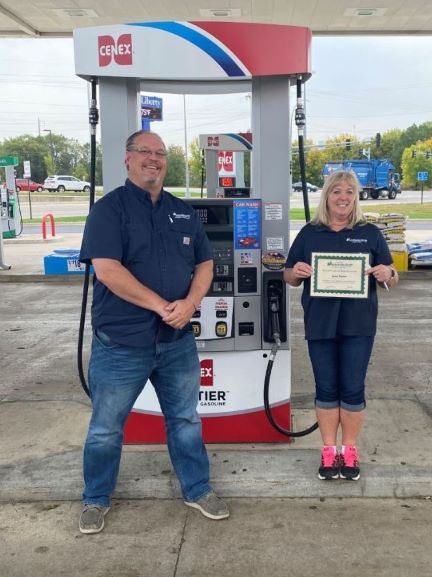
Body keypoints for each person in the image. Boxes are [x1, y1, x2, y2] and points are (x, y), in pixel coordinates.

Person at [78, 130, 229, 534]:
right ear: (127, 159)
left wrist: (191, 304)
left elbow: (205, 264)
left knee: (185, 420)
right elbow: (108, 270)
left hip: (176, 342)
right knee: (107, 427)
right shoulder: (108, 211)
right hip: (122, 343)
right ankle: (95, 498)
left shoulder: (182, 211)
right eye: (144, 151)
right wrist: (162, 306)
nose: (153, 158)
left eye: (160, 153)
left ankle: (197, 489)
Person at [284, 170, 398, 481]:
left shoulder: (370, 233)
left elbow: (391, 272)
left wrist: (387, 274)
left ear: (356, 197)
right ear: (327, 196)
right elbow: (288, 275)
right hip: (320, 324)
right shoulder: (310, 233)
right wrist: (297, 271)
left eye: (349, 191)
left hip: (358, 325)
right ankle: (327, 449)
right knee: (325, 388)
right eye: (337, 191)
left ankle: (348, 449)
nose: (343, 197)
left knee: (352, 388)